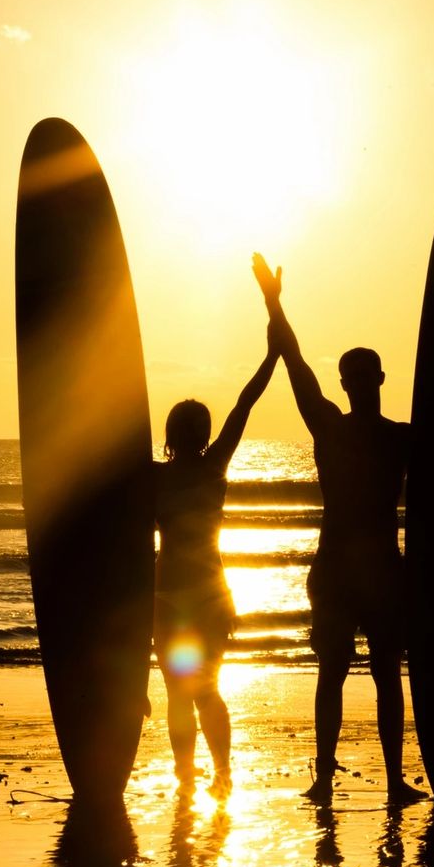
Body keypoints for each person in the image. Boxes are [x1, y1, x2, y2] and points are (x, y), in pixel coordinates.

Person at [253, 253, 424, 805]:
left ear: (347, 383)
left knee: (337, 674)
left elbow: (294, 361)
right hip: (377, 570)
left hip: (337, 570)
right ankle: (389, 782)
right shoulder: (401, 439)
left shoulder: (330, 428)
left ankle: (327, 780)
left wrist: (273, 301)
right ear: (376, 379)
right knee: (383, 676)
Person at [154, 338, 279, 798]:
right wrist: (271, 354)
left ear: (172, 433)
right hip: (208, 597)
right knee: (206, 690)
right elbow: (244, 404)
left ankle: (189, 776)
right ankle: (218, 773)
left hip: (171, 598)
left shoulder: (155, 477)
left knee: (180, 694)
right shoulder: (213, 468)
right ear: (203, 434)